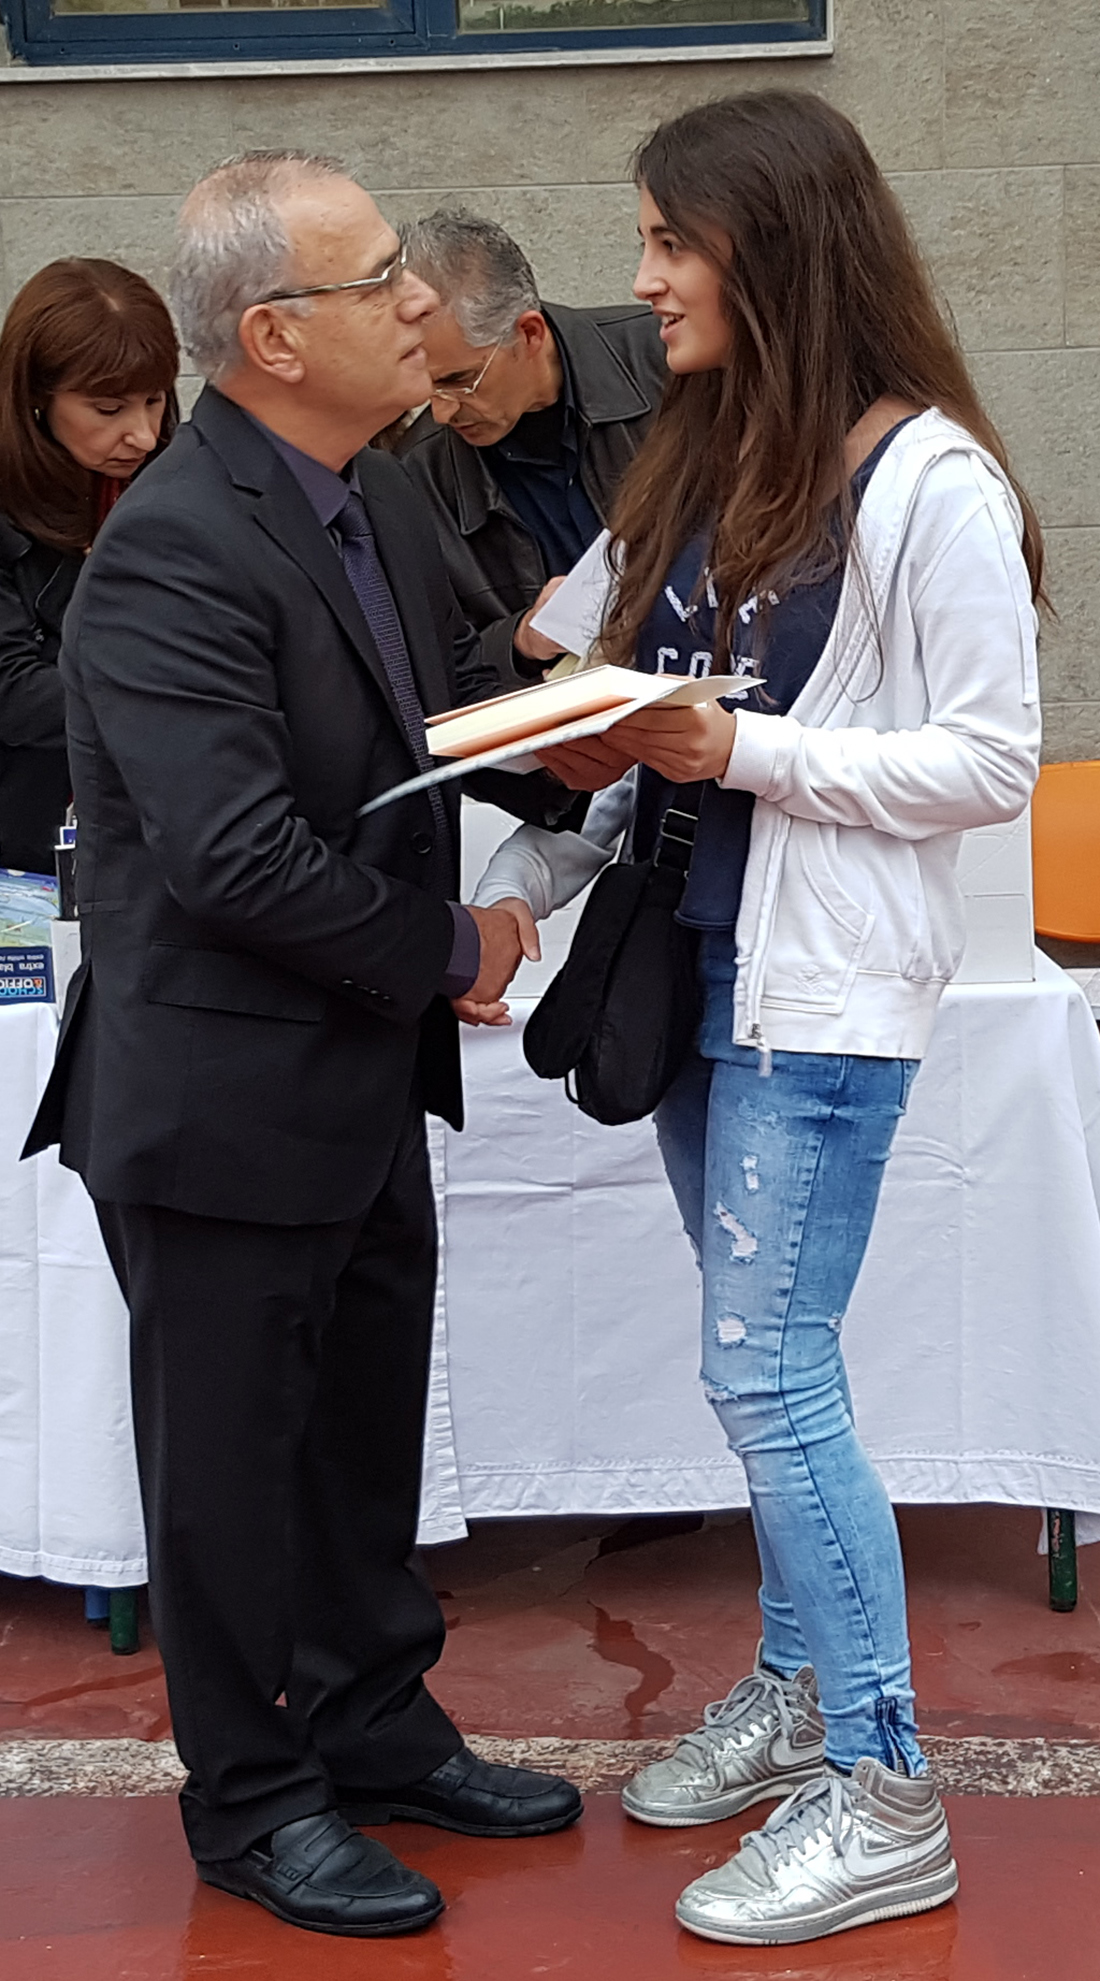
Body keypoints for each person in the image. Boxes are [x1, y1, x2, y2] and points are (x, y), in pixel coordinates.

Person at [472, 91, 1042, 1946]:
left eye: (670, 242)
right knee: (768, 1367)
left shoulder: (929, 482)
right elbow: (619, 714)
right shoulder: (703, 456)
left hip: (818, 991)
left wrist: (746, 747)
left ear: (774, 250)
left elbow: (989, 760)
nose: (641, 281)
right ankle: (803, 1693)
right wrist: (530, 857)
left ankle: (886, 1788)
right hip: (689, 970)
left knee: (767, 1371)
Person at [23, 149, 580, 1941]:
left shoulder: (373, 492)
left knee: (355, 1438)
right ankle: (254, 1798)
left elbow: (445, 702)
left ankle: (373, 1726)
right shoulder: (170, 549)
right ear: (272, 336)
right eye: (378, 279)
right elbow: (236, 854)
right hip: (219, 1100)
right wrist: (456, 946)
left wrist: (603, 726)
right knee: (228, 1473)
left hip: (353, 1080)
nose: (420, 303)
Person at [395, 208, 667, 688]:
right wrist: (520, 639)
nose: (440, 411)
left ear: (529, 334)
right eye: (423, 385)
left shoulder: (667, 364)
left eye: (459, 380)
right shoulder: (417, 473)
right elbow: (431, 669)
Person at [0, 259, 178, 876]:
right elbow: (13, 692)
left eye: (154, 400)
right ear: (35, 398)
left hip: (166, 832)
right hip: (27, 842)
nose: (143, 435)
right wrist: (164, 692)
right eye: (108, 409)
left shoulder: (184, 483)